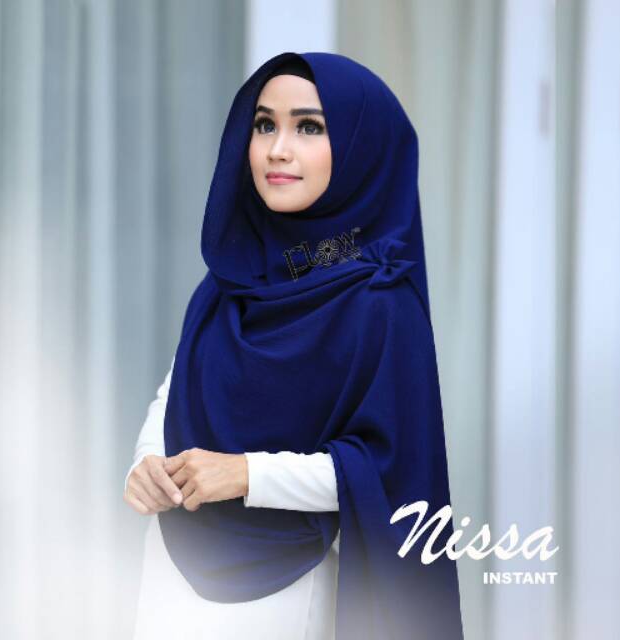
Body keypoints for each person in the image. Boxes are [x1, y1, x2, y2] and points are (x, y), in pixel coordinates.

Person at [124, 52, 464, 640]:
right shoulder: (230, 279)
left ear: (361, 148)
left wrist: (246, 474)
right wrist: (146, 461)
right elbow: (177, 390)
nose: (277, 149)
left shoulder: (380, 301)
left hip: (287, 585)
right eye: (264, 125)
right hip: (171, 565)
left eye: (309, 127)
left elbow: (389, 471)